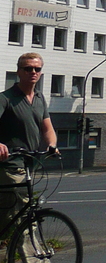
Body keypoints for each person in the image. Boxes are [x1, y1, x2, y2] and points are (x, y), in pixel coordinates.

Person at [0, 52, 59, 233]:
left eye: (37, 69)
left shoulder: (40, 99)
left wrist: (51, 145)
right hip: (9, 164)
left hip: (29, 164)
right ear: (18, 71)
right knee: (25, 215)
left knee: (9, 213)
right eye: (28, 69)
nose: (33, 72)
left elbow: (47, 129)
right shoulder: (6, 98)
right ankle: (35, 258)